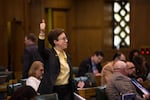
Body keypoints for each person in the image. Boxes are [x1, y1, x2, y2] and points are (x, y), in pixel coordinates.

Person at [37, 20, 74, 100]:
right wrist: (42, 32)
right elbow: (40, 49)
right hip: (52, 90)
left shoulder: (67, 55)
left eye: (66, 38)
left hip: (67, 90)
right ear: (55, 42)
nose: (66, 41)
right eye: (63, 39)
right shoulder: (49, 54)